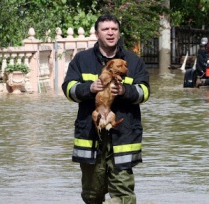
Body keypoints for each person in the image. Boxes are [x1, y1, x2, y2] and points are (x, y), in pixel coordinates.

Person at [61, 14, 150, 204]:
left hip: (123, 136)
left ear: (119, 32)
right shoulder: (82, 60)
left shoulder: (133, 62)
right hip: (90, 136)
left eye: (114, 29)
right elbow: (68, 89)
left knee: (123, 196)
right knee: (91, 196)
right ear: (97, 33)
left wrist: (125, 91)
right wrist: (89, 88)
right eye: (105, 29)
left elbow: (145, 92)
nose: (110, 33)